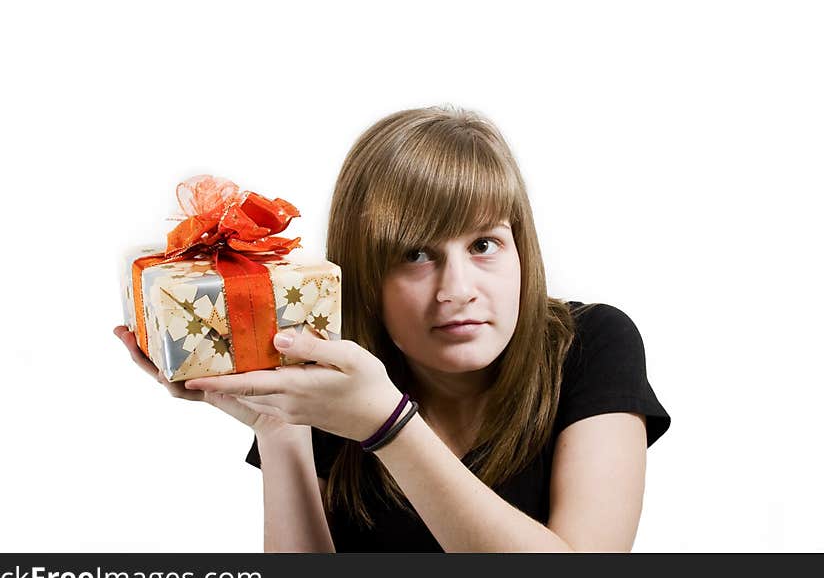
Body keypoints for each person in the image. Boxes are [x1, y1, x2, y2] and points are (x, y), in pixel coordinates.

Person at [114, 105, 670, 552]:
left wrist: (390, 427)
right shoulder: (337, 378)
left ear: (521, 250)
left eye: (484, 245)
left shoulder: (590, 343)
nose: (457, 289)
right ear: (364, 277)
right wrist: (280, 430)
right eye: (416, 254)